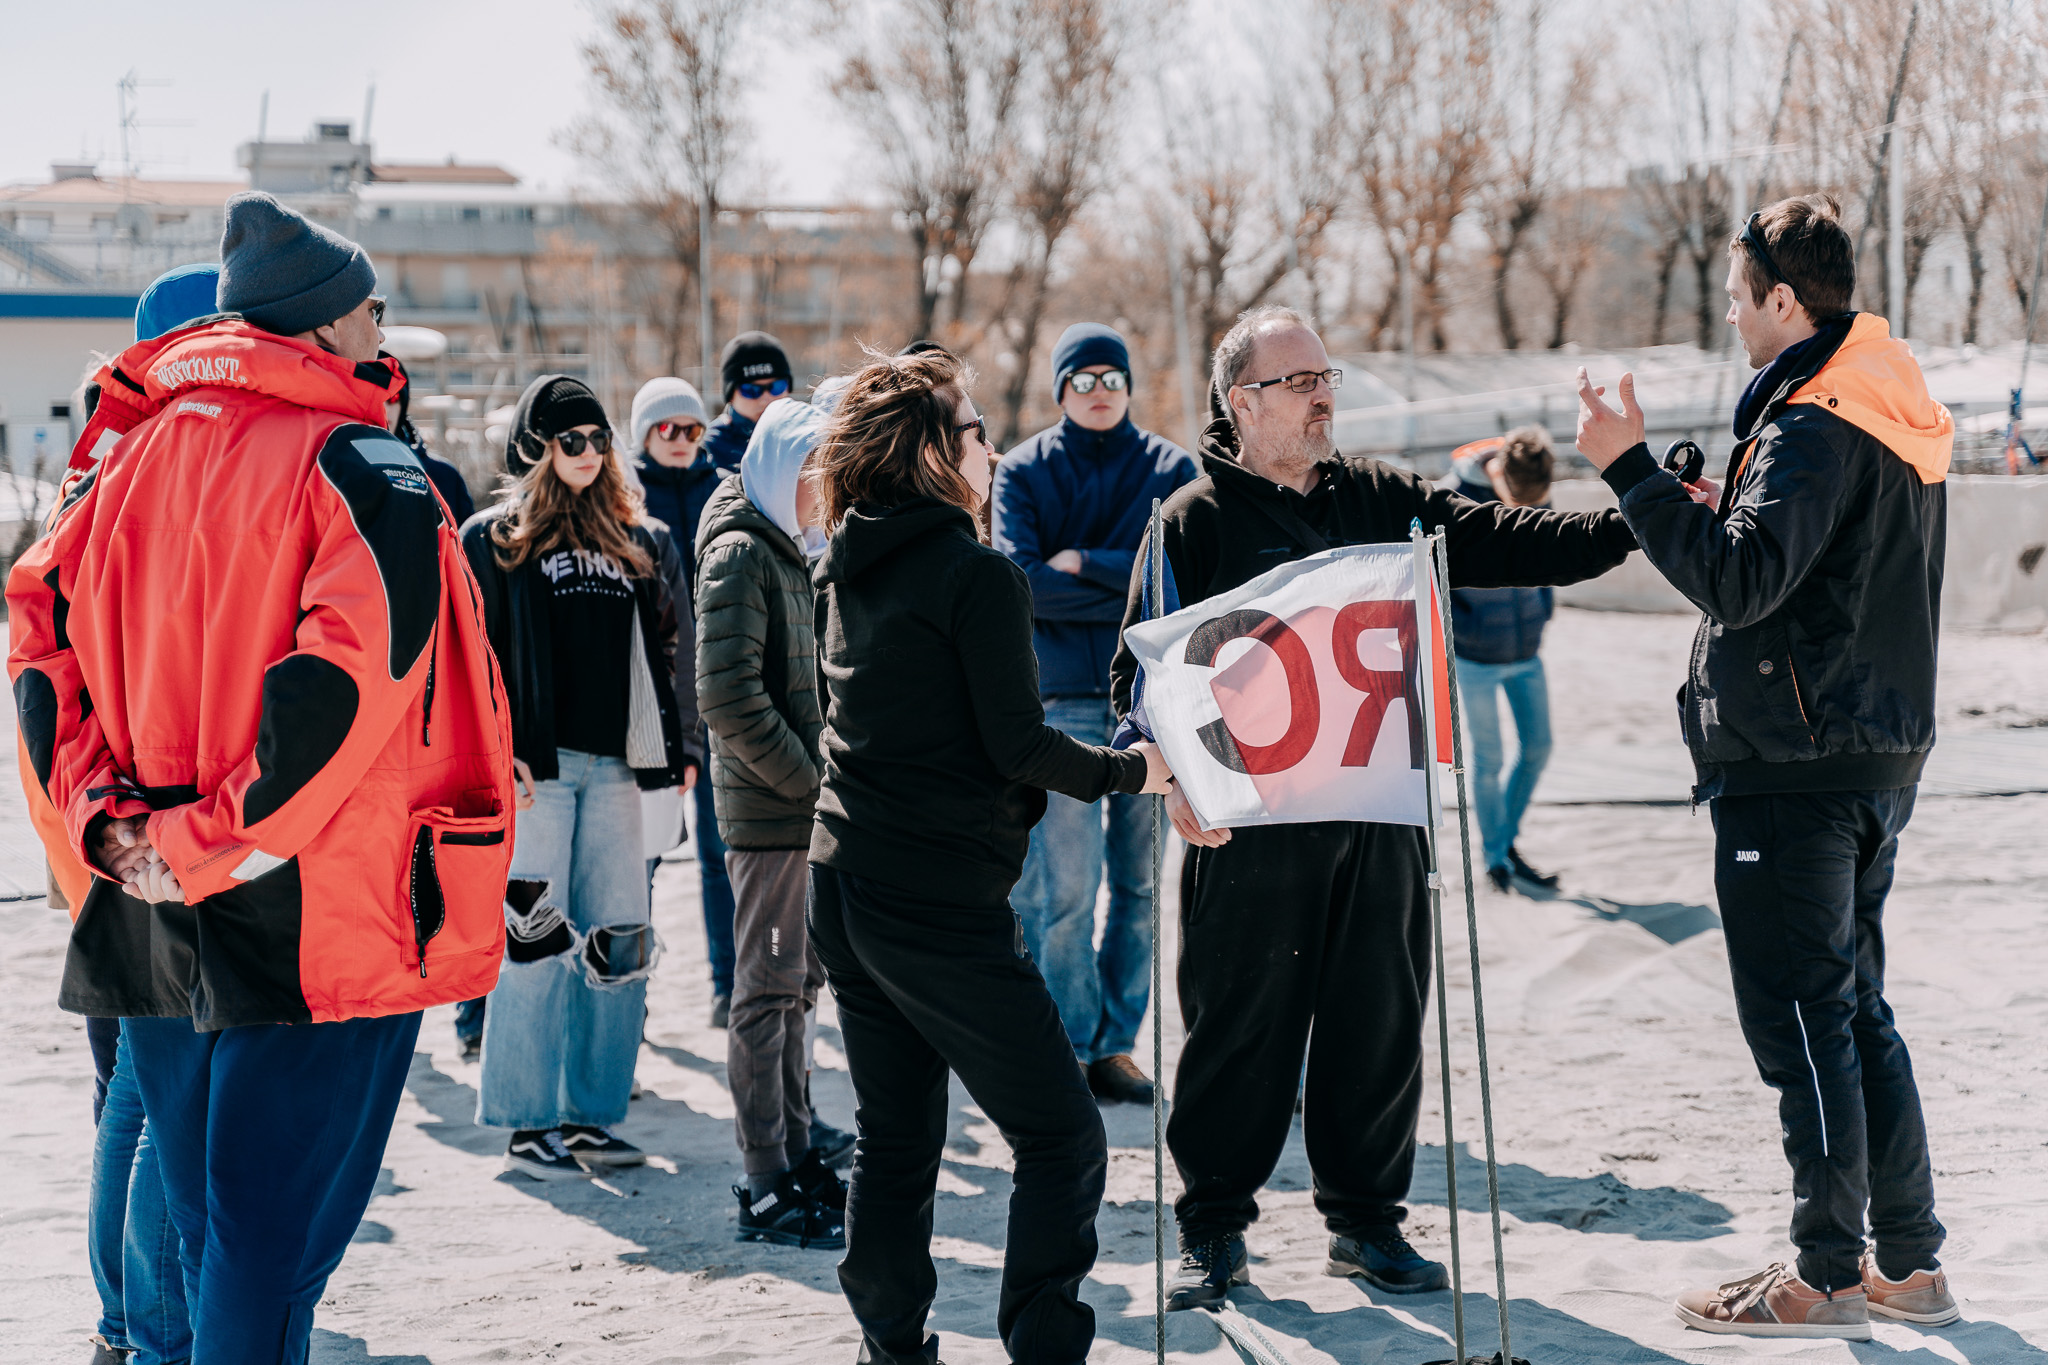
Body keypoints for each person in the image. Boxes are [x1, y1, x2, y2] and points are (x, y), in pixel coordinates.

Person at [8, 191, 514, 1358]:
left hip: (153, 900)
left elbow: (39, 652)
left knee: (204, 1237)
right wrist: (187, 846)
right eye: (373, 308)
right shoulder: (360, 463)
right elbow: (342, 693)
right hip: (312, 912)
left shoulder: (119, 461)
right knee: (263, 1258)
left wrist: (109, 829)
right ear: (325, 324)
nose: (385, 332)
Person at [1107, 306, 1637, 1310]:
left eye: (1326, 377)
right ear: (1240, 402)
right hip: (1248, 829)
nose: (1320, 395)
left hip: (1379, 816)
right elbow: (1134, 683)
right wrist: (1163, 777)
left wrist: (1635, 513)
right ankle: (1213, 1232)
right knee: (1235, 1035)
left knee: (1377, 1026)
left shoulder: (1386, 500)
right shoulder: (1190, 520)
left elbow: (1504, 542)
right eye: (1296, 380)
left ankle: (1364, 1225)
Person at [1574, 194, 1957, 1341]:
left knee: (1801, 1026)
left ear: (1780, 300)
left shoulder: (1811, 422)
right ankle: (1908, 1266)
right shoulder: (1884, 397)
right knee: (1854, 1014)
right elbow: (1794, 564)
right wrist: (1714, 507)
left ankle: (1825, 1274)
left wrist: (1628, 470)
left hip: (1796, 766)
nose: (1731, 315)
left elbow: (1739, 588)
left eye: (1739, 296)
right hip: (1872, 754)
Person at [806, 348, 1174, 1364]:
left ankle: (890, 1348)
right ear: (933, 451)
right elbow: (1016, 743)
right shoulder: (975, 573)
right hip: (931, 900)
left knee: (896, 1136)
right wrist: (1131, 773)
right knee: (1061, 1136)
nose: (993, 446)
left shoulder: (846, 555)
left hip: (841, 882)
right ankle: (1044, 1346)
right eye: (975, 429)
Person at [463, 374, 696, 1180]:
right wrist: (495, 748)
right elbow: (465, 659)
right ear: (537, 446)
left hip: (620, 768)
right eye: (572, 440)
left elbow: (670, 652)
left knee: (619, 939)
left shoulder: (641, 539)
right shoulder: (491, 541)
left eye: (600, 439)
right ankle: (530, 1124)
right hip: (540, 773)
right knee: (535, 941)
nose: (590, 453)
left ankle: (591, 1114)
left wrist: (678, 746)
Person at [64, 265, 218, 1365]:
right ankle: (145, 1325)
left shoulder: (117, 464)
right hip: (149, 815)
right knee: (157, 1088)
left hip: (122, 813)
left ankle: (131, 1319)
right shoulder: (146, 473)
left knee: (136, 1082)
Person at [992, 322, 1196, 1105]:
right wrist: (1124, 573)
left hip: (1153, 702)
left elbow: (1174, 581)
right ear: (1060, 389)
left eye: (1113, 377)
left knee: (1140, 888)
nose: (1100, 390)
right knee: (1066, 889)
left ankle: (1117, 1043)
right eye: (1084, 378)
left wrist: (1082, 561)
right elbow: (1023, 582)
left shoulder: (1171, 467)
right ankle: (1071, 1045)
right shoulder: (1022, 470)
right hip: (1059, 704)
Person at [694, 397, 849, 1246]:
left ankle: (795, 1149)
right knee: (765, 990)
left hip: (803, 807)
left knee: (799, 988)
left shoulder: (796, 549)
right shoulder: (743, 551)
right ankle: (765, 1178)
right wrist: (810, 782)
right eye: (822, 478)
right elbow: (726, 695)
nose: (832, 494)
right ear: (787, 470)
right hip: (771, 814)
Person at [1439, 429, 1562, 894]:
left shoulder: (1534, 485)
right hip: (1473, 656)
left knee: (1538, 748)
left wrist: (1542, 612)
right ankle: (1496, 858)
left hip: (1526, 651)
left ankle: (1504, 842)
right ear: (1498, 473)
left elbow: (1550, 552)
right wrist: (1460, 625)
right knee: (1487, 758)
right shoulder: (1451, 498)